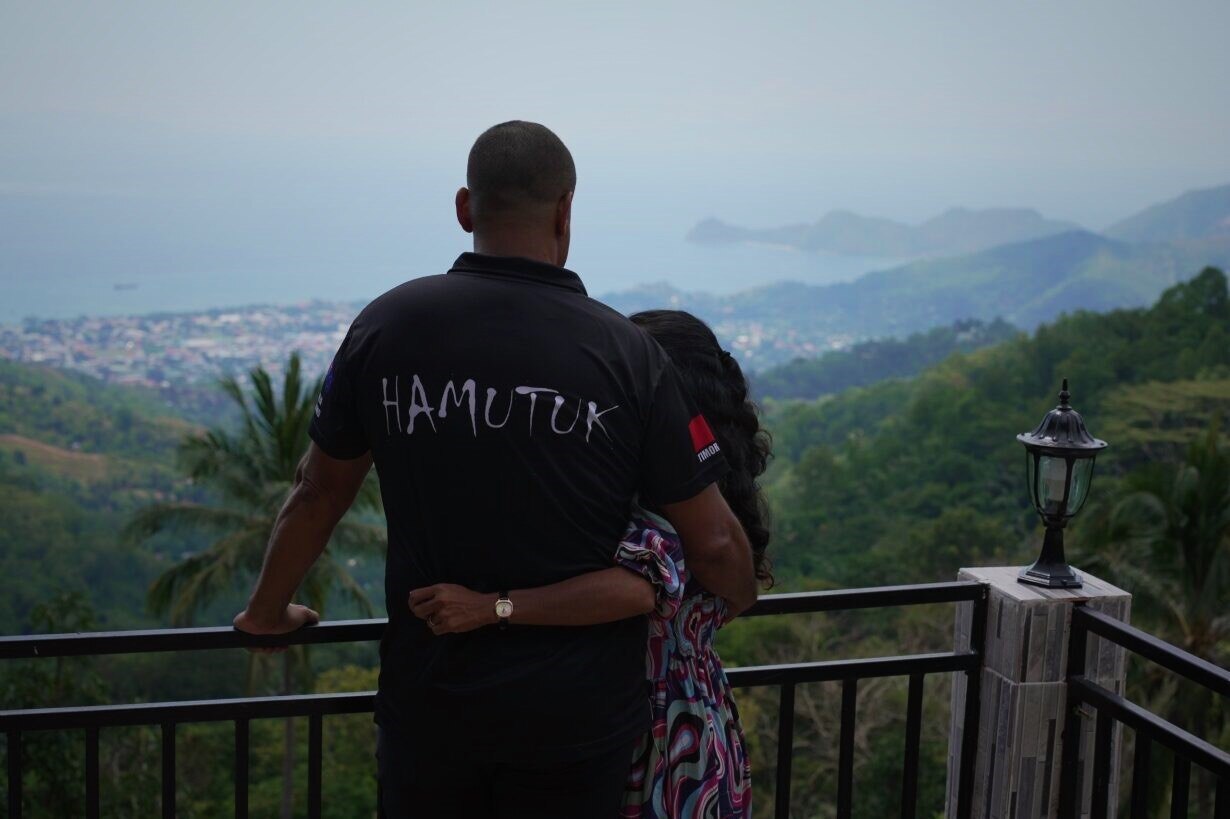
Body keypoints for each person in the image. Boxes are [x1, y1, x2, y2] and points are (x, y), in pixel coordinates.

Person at [231, 120, 758, 819]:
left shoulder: (386, 326)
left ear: (465, 207)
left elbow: (319, 490)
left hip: (432, 713)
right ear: (567, 212)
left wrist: (267, 610)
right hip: (578, 727)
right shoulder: (628, 354)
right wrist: (742, 595)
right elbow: (715, 541)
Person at [407, 309, 772, 819]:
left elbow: (637, 589)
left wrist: (494, 607)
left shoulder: (654, 497)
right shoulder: (719, 500)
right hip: (703, 723)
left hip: (641, 730)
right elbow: (733, 593)